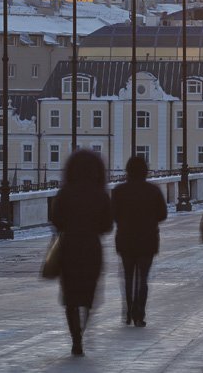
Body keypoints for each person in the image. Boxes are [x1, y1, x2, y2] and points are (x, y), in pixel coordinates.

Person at [50, 149, 113, 357]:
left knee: (70, 295)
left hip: (68, 247)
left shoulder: (65, 193)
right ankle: (82, 329)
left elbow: (56, 220)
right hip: (91, 247)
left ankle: (75, 337)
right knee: (87, 293)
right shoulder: (100, 194)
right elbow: (107, 225)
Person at [111, 155, 167, 328]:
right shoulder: (153, 190)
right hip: (147, 241)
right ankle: (139, 315)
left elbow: (113, 215)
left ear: (128, 171)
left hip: (126, 241)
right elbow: (162, 215)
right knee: (143, 278)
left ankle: (127, 312)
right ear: (145, 171)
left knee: (128, 277)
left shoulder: (119, 191)